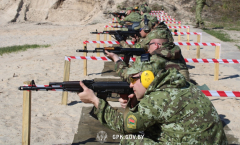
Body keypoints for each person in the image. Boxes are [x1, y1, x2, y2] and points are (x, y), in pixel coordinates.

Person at [78, 64, 228, 144]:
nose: (130, 85)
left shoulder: (157, 99)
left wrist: (95, 101)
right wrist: (133, 103)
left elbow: (124, 126)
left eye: (133, 79)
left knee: (130, 141)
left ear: (147, 78)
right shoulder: (182, 85)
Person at [107, 29, 190, 82]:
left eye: (149, 44)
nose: (148, 48)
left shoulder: (154, 60)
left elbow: (129, 77)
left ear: (157, 45)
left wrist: (116, 59)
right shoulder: (175, 53)